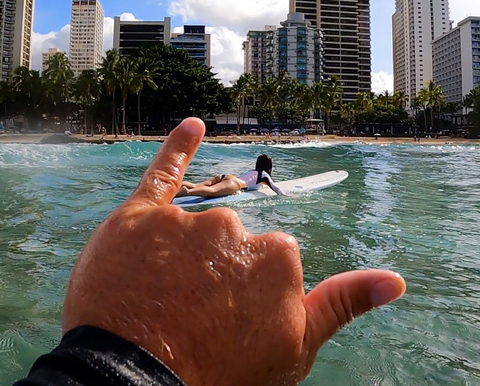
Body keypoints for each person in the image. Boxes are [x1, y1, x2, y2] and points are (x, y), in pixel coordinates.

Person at [13, 118, 406, 386]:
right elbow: (268, 187)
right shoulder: (262, 174)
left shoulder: (248, 169)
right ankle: (190, 190)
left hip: (228, 179)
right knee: (216, 190)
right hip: (237, 185)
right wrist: (282, 196)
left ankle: (186, 188)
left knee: (208, 187)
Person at [175, 154, 287, 198]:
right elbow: (276, 188)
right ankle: (186, 192)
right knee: (212, 191)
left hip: (226, 176)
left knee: (196, 185)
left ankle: (177, 186)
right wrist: (287, 196)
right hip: (235, 184)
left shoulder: (252, 171)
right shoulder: (264, 175)